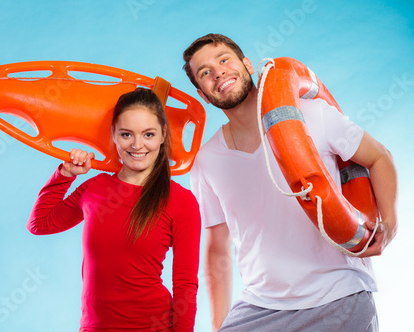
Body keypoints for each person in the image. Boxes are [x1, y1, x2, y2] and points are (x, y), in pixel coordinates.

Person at [182, 34, 397, 331]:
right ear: (202, 94)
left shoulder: (314, 116)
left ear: (247, 64)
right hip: (262, 304)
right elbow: (216, 249)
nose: (218, 72)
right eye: (204, 72)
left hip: (337, 293)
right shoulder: (207, 162)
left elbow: (380, 157)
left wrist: (390, 221)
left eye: (223, 60)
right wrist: (220, 326)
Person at [27, 88, 201, 331]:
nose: (137, 145)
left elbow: (185, 285)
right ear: (114, 136)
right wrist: (65, 174)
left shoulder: (181, 201)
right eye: (127, 134)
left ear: (163, 135)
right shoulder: (94, 189)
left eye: (148, 134)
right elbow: (40, 224)